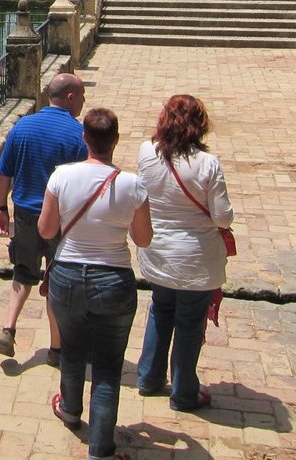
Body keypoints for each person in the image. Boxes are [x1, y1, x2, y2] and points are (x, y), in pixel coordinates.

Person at [39, 107, 152, 460]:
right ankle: (100, 448)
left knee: (72, 350)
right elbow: (143, 239)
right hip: (113, 278)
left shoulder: (61, 176)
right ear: (115, 140)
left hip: (68, 275)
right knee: (107, 367)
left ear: (84, 138)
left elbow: (46, 229)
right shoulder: (133, 185)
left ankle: (70, 409)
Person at [135, 95, 234, 412]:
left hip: (157, 252)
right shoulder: (207, 164)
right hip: (195, 258)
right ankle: (183, 392)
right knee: (190, 323)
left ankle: (149, 378)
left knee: (160, 311)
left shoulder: (147, 152)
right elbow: (223, 217)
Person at [0, 73, 88, 365]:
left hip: (24, 214)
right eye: (82, 97)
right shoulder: (78, 135)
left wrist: (0, 207)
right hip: (59, 219)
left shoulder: (22, 126)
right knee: (56, 279)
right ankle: (56, 349)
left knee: (23, 271)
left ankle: (9, 328)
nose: (83, 102)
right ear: (70, 98)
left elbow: (3, 172)